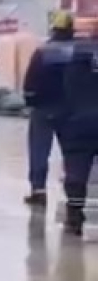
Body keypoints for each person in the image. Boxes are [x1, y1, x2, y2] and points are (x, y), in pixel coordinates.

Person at [21, 11, 74, 207]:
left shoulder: (43, 52)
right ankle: (74, 190)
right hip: (70, 109)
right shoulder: (78, 51)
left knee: (39, 150)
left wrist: (30, 101)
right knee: (71, 151)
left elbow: (30, 81)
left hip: (43, 108)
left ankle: (38, 190)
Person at [56, 19, 98, 235]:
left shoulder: (78, 53)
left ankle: (74, 215)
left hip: (79, 120)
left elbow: (66, 86)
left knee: (76, 170)